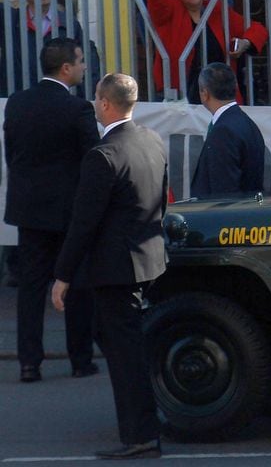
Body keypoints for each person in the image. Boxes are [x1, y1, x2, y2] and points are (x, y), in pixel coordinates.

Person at [51, 73, 167, 460]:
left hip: (116, 270)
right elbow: (160, 203)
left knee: (124, 352)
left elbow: (84, 222)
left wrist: (63, 275)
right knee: (118, 339)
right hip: (147, 260)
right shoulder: (150, 139)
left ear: (104, 103)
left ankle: (141, 434)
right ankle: (144, 422)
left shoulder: (103, 155)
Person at [3, 37, 99, 383]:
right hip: (69, 212)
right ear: (66, 68)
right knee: (75, 282)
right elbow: (95, 159)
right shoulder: (78, 109)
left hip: (29, 210)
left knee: (30, 287)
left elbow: (12, 154)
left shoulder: (16, 104)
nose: (84, 68)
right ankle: (80, 358)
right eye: (81, 61)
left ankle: (29, 362)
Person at [147, 0, 267, 104]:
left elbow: (257, 28)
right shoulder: (170, 10)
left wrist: (245, 43)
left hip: (220, 97)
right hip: (182, 99)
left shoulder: (215, 9)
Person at [0, 0, 101, 97]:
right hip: (21, 104)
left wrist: (80, 99)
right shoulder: (11, 21)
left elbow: (87, 63)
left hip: (60, 104)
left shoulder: (69, 24)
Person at [191, 62, 265, 198]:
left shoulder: (224, 131)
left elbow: (224, 192)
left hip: (226, 216)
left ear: (205, 93)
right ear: (235, 88)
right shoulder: (247, 123)